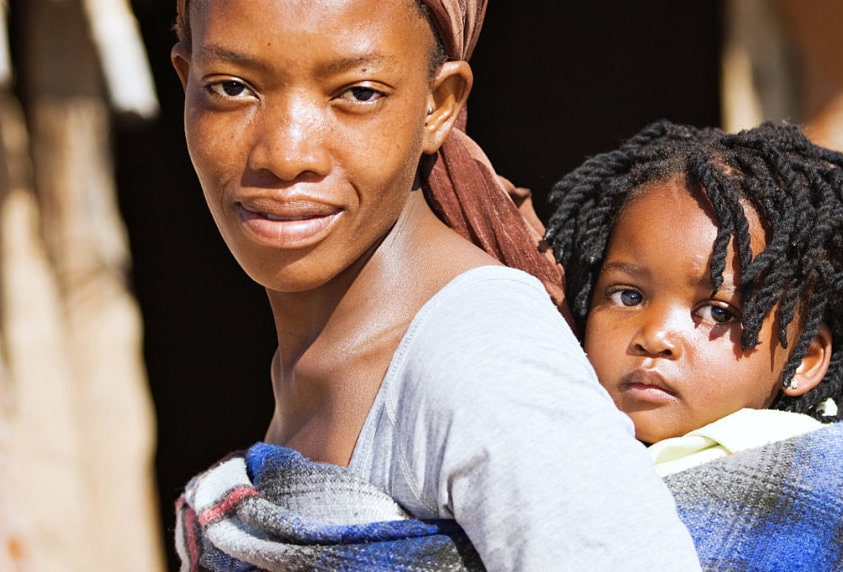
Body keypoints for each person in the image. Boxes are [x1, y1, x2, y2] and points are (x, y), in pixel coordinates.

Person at [166, 1, 700, 570]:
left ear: (438, 106)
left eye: (359, 93)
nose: (286, 153)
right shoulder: (323, 353)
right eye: (231, 87)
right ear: (185, 81)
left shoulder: (479, 353)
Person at [543, 120, 843, 570]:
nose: (655, 337)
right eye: (628, 295)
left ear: (802, 359)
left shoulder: (808, 490)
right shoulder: (554, 437)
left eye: (717, 311)